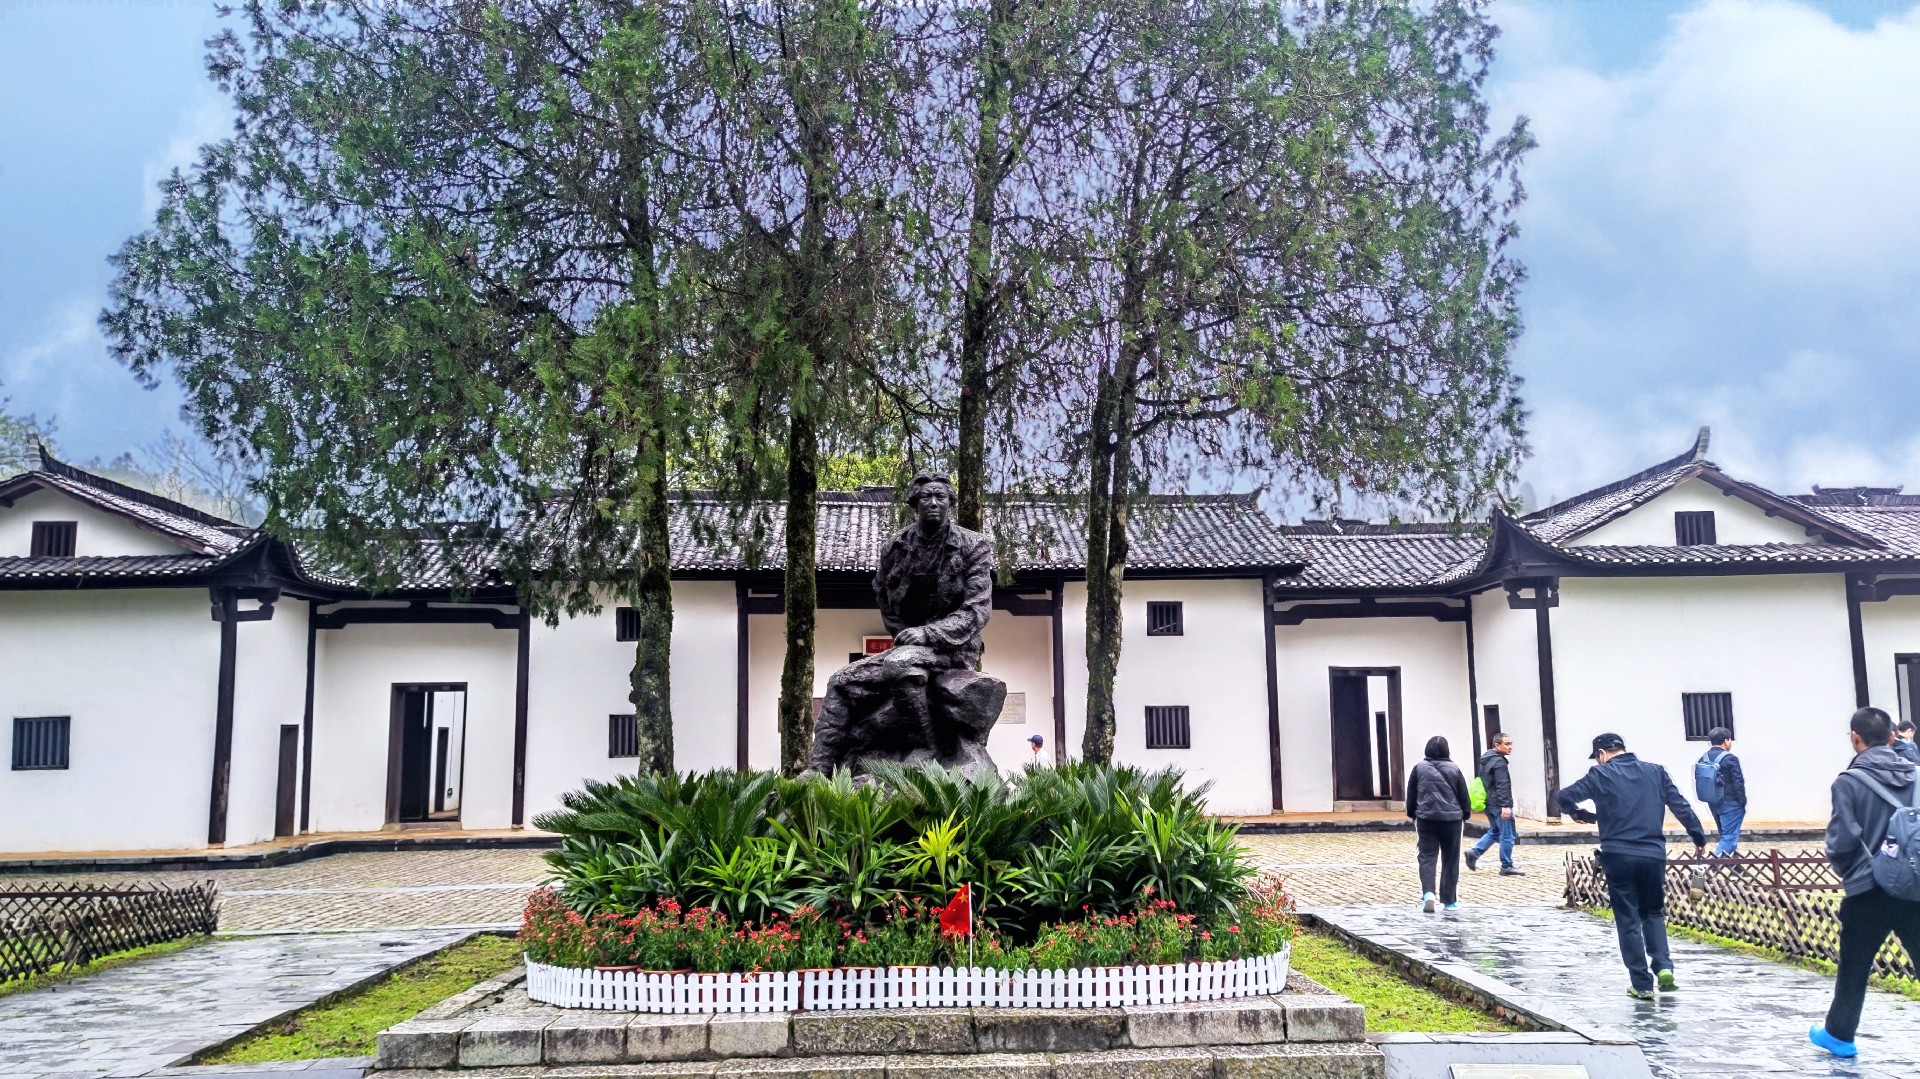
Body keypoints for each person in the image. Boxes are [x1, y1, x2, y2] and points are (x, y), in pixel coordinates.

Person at [1557, 733, 1707, 999]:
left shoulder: (1600, 774)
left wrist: (1580, 814)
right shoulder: (1656, 772)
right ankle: (1663, 966)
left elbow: (1563, 796)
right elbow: (1681, 806)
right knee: (1653, 912)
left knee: (1628, 919)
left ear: (1602, 754)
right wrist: (1698, 837)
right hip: (1653, 855)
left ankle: (1641, 984)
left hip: (1618, 855)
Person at [1809, 707, 1920, 1059]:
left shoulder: (1849, 781)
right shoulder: (1917, 776)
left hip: (1868, 888)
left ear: (1855, 738)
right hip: (1916, 885)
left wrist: (1849, 872)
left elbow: (1843, 839)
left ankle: (1840, 1036)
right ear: (1892, 737)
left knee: (1854, 966)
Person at [1406, 735, 1473, 913]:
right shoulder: (1455, 769)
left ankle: (1428, 894)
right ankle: (1449, 901)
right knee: (1451, 858)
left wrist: (1412, 813)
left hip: (1426, 819)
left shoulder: (1418, 768)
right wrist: (1465, 814)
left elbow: (1411, 794)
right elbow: (1463, 795)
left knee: (1426, 857)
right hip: (1452, 820)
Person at [1465, 733, 1523, 876]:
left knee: (1495, 831)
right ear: (1497, 745)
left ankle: (1474, 853)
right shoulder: (1499, 763)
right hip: (1499, 804)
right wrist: (1506, 806)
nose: (1510, 747)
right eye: (1506, 744)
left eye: (1511, 744)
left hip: (1490, 802)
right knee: (1508, 835)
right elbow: (1502, 785)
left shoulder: (1487, 759)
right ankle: (1506, 865)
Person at [1694, 727, 1746, 856]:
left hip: (1713, 803)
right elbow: (1738, 782)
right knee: (1729, 837)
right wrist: (1742, 802)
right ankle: (1712, 865)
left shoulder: (1703, 759)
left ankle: (1734, 865)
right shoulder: (1730, 759)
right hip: (1731, 803)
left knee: (1726, 834)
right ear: (1726, 741)